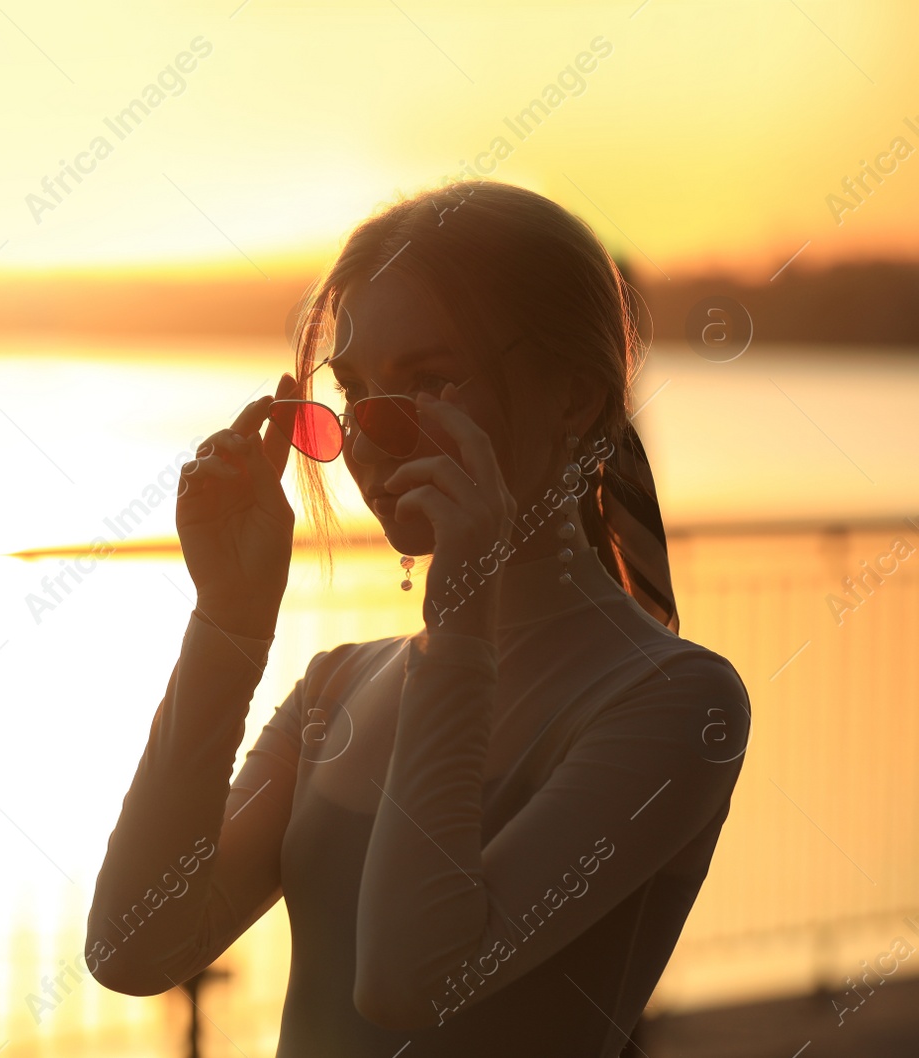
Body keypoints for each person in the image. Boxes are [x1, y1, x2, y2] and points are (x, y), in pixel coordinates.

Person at [84, 181, 752, 1056]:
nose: (370, 436)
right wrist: (228, 626)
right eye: (354, 391)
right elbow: (132, 946)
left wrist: (461, 619)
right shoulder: (336, 687)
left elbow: (410, 980)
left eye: (429, 382)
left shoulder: (674, 703)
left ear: (575, 401)